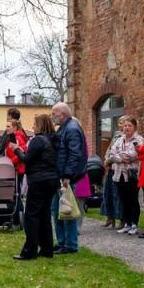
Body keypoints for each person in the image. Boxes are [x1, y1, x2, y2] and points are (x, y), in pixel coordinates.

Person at [14, 114, 59, 261]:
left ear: (40, 125)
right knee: (44, 215)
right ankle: (46, 249)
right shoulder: (53, 140)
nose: (32, 126)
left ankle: (30, 250)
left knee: (31, 216)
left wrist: (17, 149)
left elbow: (27, 159)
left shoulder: (38, 140)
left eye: (34, 124)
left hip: (39, 180)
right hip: (51, 180)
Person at [51, 102, 88, 254]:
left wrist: (67, 175)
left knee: (67, 210)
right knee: (57, 209)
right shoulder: (64, 128)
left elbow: (74, 154)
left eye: (54, 114)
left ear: (63, 114)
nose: (52, 117)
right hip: (60, 175)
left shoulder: (71, 129)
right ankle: (62, 241)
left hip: (66, 177)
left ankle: (70, 244)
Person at [105, 116, 143, 235]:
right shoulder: (119, 139)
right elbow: (112, 153)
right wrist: (119, 158)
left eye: (129, 126)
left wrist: (119, 157)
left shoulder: (138, 140)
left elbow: (133, 155)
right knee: (124, 199)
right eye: (125, 126)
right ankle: (127, 223)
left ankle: (134, 224)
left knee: (132, 199)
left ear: (134, 127)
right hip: (118, 174)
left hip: (131, 174)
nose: (126, 128)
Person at [0, 108, 28, 224]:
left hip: (16, 169)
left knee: (14, 193)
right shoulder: (13, 136)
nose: (6, 129)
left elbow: (22, 151)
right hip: (12, 168)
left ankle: (17, 216)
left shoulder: (18, 136)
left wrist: (11, 162)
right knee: (12, 192)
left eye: (8, 127)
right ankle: (14, 215)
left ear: (14, 127)